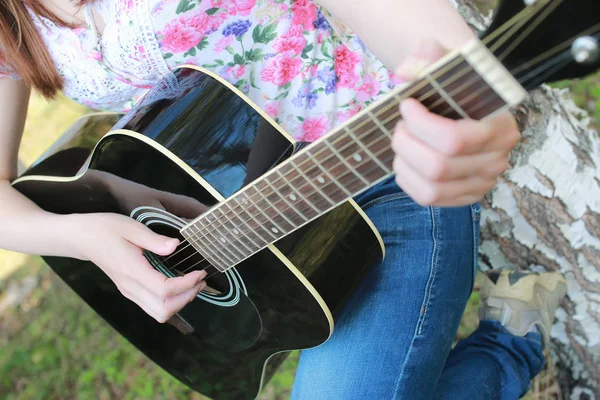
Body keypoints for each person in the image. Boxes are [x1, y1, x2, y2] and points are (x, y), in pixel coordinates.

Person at [0, 0, 567, 398]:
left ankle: (510, 342)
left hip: (381, 182)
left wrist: (462, 84)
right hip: (258, 239)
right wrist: (82, 236)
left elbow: (397, 18)